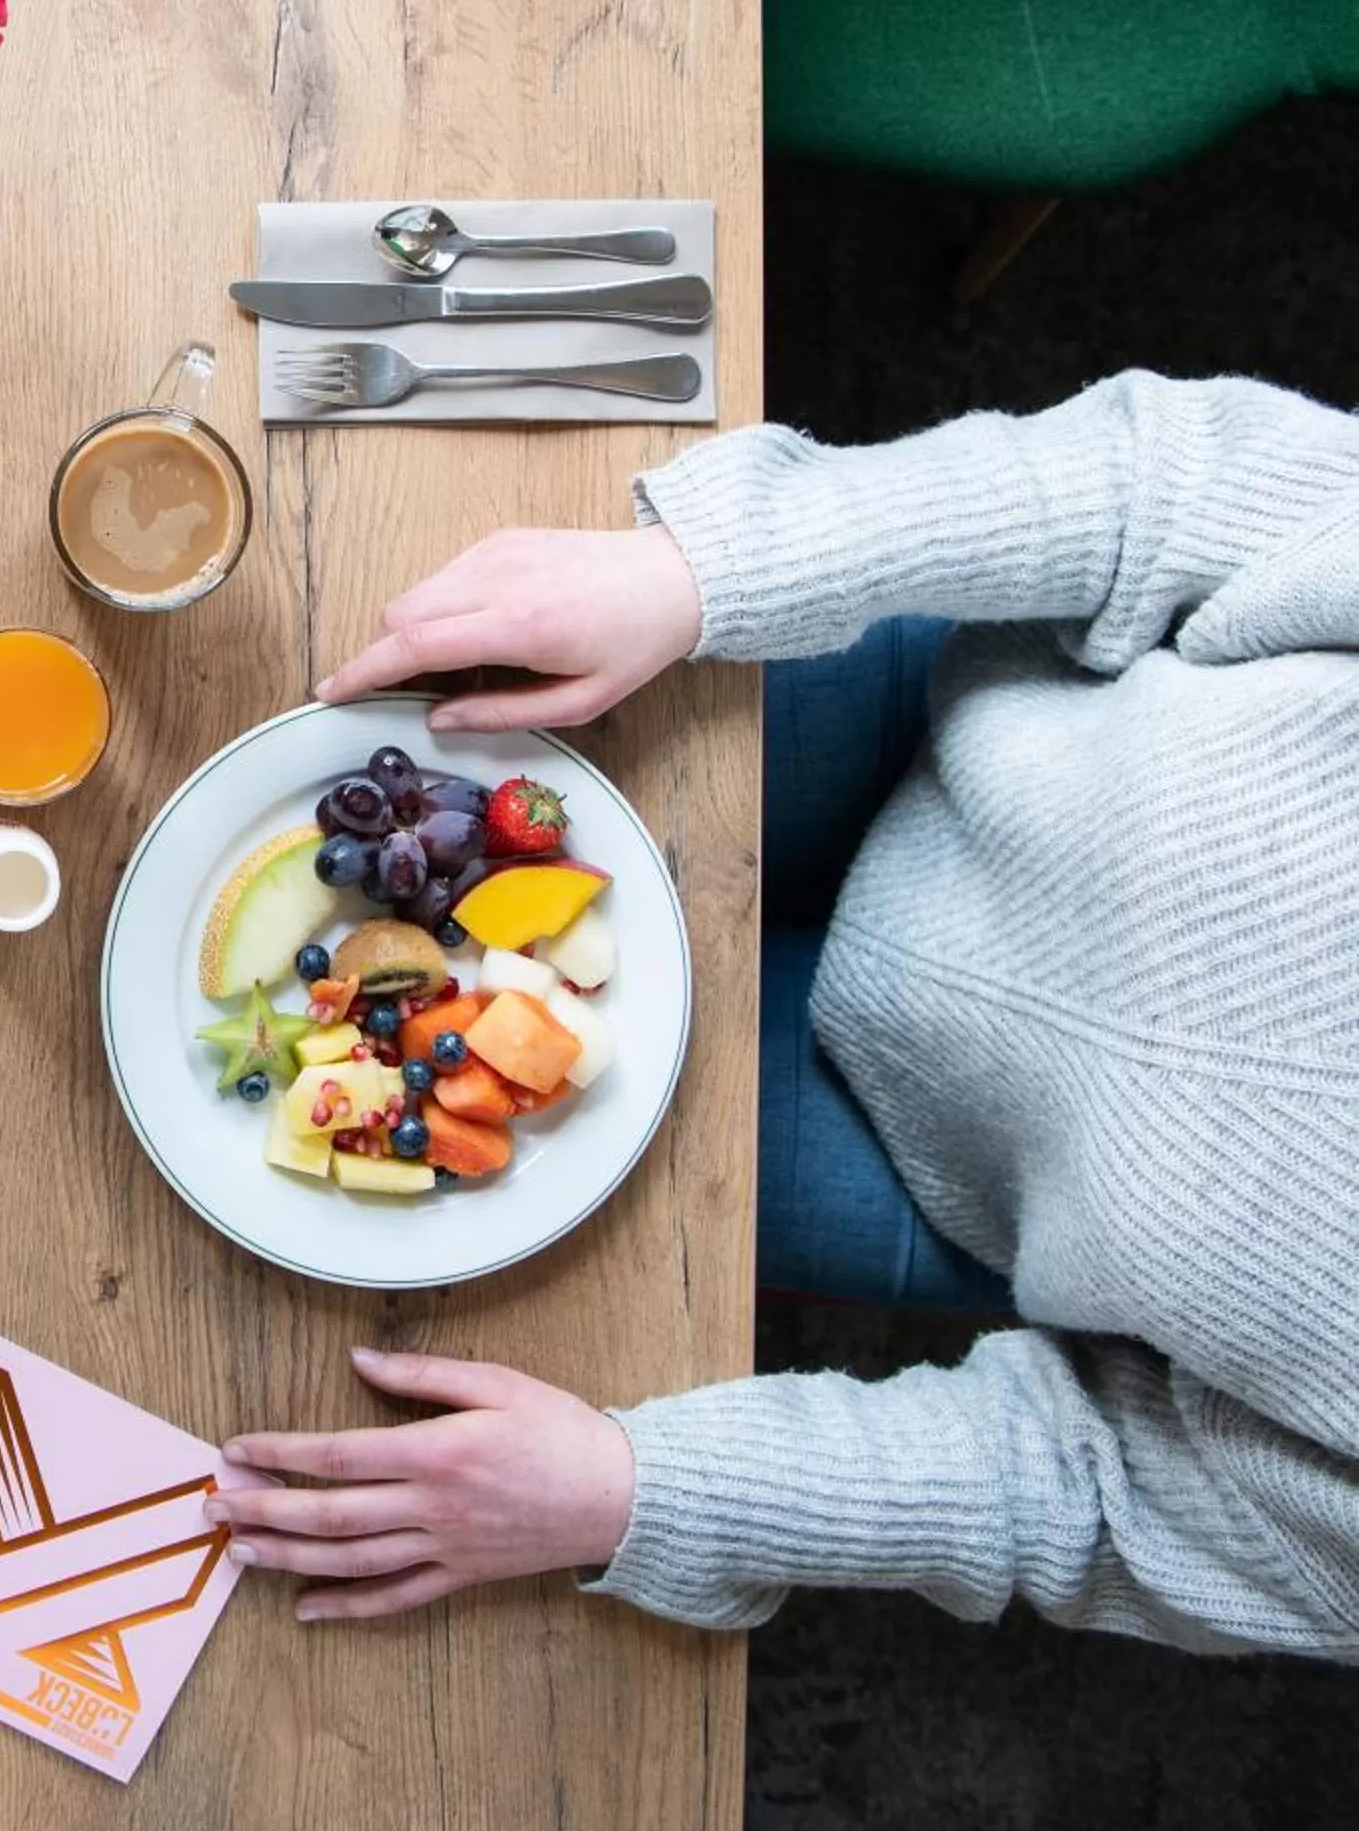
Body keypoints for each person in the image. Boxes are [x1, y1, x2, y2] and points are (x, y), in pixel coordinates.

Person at [214, 373, 1359, 1661]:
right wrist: (716, 569)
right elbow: (1174, 490)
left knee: (477, 1282)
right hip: (962, 726)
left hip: (948, 1166)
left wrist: (638, 1496)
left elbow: (1094, 1504)